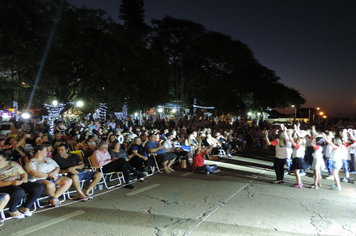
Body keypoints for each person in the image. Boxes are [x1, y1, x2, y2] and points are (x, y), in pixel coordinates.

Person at [0, 151, 44, 219]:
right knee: (19, 191)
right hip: (4, 184)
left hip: (18, 181)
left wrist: (24, 178)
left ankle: (26, 207)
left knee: (38, 187)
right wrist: (11, 182)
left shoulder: (13, 164)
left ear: (5, 158)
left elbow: (23, 172)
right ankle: (13, 210)